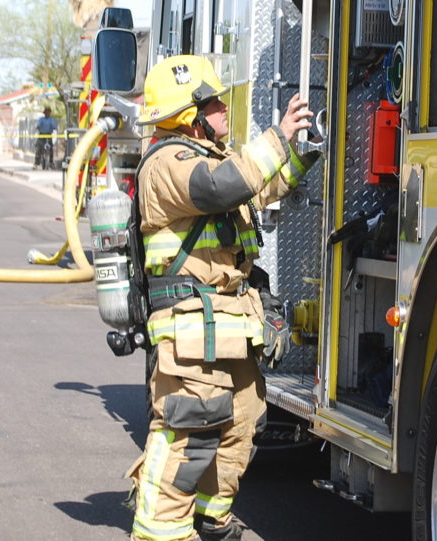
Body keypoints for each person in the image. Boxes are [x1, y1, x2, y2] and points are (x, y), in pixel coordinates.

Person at [127, 55, 317, 541]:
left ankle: (210, 518)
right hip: (189, 327)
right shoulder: (167, 163)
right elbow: (221, 187)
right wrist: (276, 137)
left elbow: (256, 189)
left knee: (243, 422)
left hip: (225, 325)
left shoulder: (210, 158)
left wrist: (304, 151)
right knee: (188, 433)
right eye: (213, 102)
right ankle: (160, 531)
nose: (223, 108)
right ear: (190, 115)